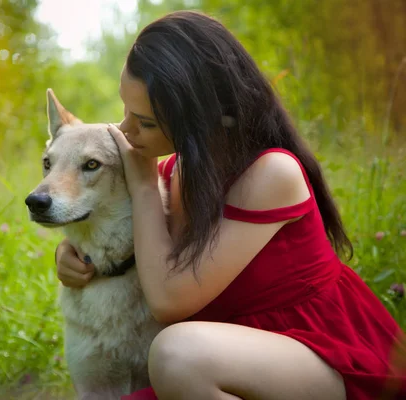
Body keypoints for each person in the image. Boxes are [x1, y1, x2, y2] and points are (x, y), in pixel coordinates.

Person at [54, 10, 406, 400]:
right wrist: (70, 255)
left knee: (176, 355)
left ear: (203, 118)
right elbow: (116, 235)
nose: (124, 131)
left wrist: (143, 190)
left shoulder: (271, 174)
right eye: (125, 110)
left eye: (145, 122)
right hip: (226, 360)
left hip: (319, 355)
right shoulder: (174, 171)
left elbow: (168, 302)